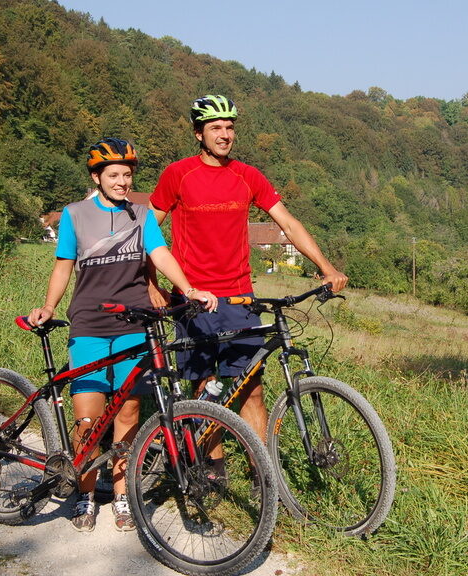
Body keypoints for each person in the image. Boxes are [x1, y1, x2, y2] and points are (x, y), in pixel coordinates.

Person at [148, 95, 348, 474]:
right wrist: (151, 282)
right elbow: (147, 231)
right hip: (193, 297)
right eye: (215, 128)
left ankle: (263, 472)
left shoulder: (248, 175)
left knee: (251, 387)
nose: (225, 135)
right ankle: (213, 468)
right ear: (198, 134)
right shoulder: (178, 174)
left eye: (229, 127)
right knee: (205, 387)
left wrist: (326, 267)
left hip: (240, 296)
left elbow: (287, 224)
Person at [28, 138, 217, 532]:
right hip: (90, 323)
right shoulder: (75, 214)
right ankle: (84, 493)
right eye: (114, 175)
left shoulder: (142, 214)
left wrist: (190, 287)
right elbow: (64, 266)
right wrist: (48, 306)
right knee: (89, 417)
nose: (122, 181)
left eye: (128, 175)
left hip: (135, 321)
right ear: (97, 177)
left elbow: (160, 255)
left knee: (128, 411)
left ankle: (121, 497)